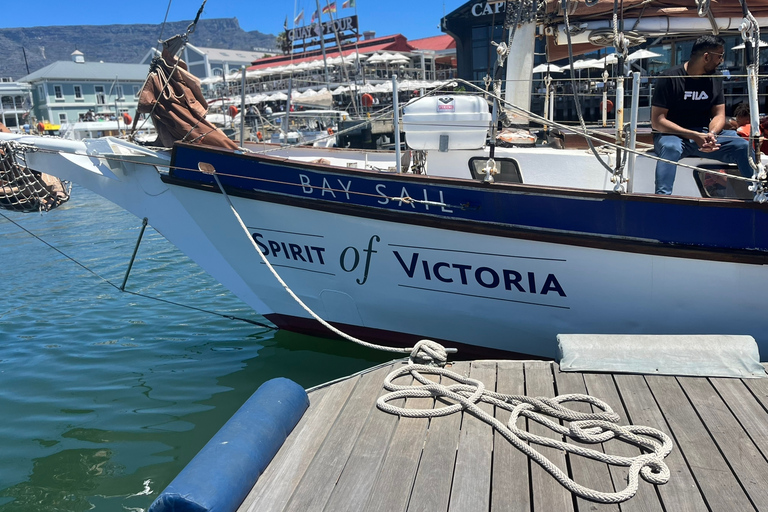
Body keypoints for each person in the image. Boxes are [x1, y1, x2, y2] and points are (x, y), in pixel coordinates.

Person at [651, 35, 752, 194]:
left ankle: (760, 196)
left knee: (742, 146)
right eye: (720, 56)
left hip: (705, 135)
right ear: (706, 57)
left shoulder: (715, 78)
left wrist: (710, 134)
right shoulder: (669, 77)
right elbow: (657, 121)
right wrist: (693, 135)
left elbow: (719, 115)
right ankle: (663, 198)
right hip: (672, 136)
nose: (721, 61)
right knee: (671, 148)